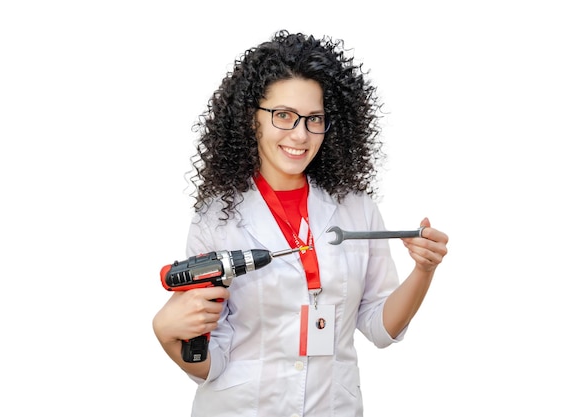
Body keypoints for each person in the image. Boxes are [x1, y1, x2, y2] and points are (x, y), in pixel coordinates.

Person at [152, 30, 449, 416]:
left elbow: (380, 328)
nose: (300, 134)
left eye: (314, 119)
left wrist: (423, 270)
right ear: (251, 117)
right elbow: (214, 362)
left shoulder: (356, 209)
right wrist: (167, 335)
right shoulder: (217, 216)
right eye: (284, 116)